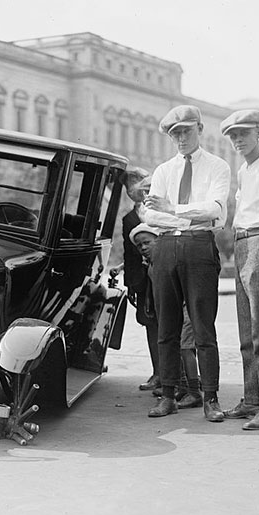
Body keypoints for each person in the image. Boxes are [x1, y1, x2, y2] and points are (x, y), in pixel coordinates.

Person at [140, 105, 230, 422]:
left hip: (199, 245)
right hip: (166, 246)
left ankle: (211, 398)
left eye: (186, 131)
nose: (180, 138)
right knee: (167, 326)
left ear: (200, 129)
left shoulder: (218, 167)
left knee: (203, 326)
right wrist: (177, 211)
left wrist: (173, 207)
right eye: (175, 133)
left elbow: (215, 210)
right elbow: (150, 214)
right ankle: (168, 396)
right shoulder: (164, 170)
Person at [220, 110, 259, 430]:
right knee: (246, 329)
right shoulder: (244, 170)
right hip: (243, 241)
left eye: (243, 133)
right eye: (232, 136)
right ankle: (253, 398)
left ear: (258, 132)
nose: (238, 140)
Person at [129, 223, 202, 409]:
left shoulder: (170, 259)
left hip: (186, 309)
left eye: (147, 242)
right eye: (139, 246)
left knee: (186, 348)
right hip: (174, 310)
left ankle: (194, 392)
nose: (143, 248)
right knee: (176, 347)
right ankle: (183, 386)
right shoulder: (152, 264)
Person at [112, 166, 160, 392]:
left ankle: (180, 376)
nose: (135, 191)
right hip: (142, 281)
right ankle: (158, 373)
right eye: (129, 186)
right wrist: (131, 283)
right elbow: (129, 253)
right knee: (150, 324)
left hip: (163, 276)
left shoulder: (162, 211)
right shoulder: (128, 218)